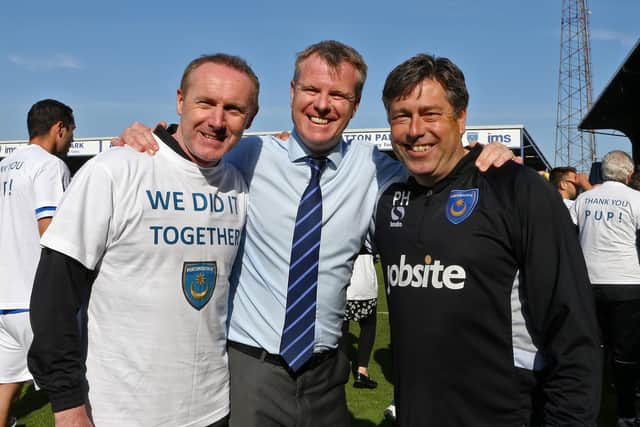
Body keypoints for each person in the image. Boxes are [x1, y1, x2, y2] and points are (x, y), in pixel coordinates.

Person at [117, 40, 516, 427]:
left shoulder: (377, 169)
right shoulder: (246, 156)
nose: (322, 104)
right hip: (251, 369)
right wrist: (147, 139)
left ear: (355, 106)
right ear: (292, 92)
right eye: (311, 89)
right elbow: (185, 152)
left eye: (338, 95)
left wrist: (480, 154)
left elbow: (439, 169)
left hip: (327, 375)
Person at [27, 54, 258, 427]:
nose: (217, 120)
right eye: (206, 103)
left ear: (251, 117)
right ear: (180, 100)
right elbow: (54, 295)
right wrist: (67, 403)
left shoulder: (239, 184)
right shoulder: (114, 170)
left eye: (233, 109)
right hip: (121, 412)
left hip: (214, 410)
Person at [373, 53, 601, 426]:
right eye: (401, 116)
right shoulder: (388, 197)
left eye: (431, 113)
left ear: (461, 118)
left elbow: (573, 334)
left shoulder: (517, 190)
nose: (415, 130)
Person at [0, 99, 75, 426]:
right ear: (59, 127)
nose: (72, 140)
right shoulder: (49, 165)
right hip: (37, 301)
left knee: (5, 386)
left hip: (4, 300)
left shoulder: (4, 165)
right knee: (73, 393)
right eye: (72, 131)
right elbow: (52, 232)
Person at [571, 150, 640, 427]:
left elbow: (570, 231)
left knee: (594, 349)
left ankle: (592, 410)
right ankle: (625, 412)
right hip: (627, 284)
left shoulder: (584, 199)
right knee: (626, 353)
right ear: (629, 174)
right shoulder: (636, 199)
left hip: (588, 284)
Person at [341, 253, 378, 388]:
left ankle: (341, 369)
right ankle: (362, 372)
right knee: (369, 325)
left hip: (342, 282)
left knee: (341, 328)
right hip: (364, 282)